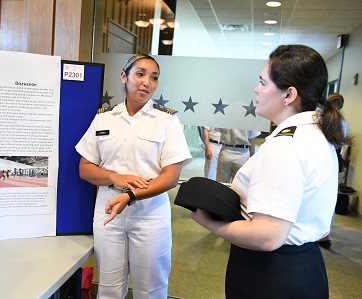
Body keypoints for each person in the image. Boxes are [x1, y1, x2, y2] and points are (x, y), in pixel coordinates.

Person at [191, 45, 351, 299]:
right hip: (303, 263)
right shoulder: (316, 133)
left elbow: (267, 236)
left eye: (262, 82)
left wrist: (210, 223)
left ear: (289, 94)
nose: (256, 89)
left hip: (272, 275)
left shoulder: (285, 146)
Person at [75, 54, 192, 299]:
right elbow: (85, 168)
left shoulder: (167, 121)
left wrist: (131, 194)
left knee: (151, 289)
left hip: (150, 212)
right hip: (108, 210)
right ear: (124, 77)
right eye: (140, 74)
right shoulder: (104, 118)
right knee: (108, 287)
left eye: (154, 77)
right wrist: (115, 177)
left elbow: (171, 177)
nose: (146, 82)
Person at [318, 93, 349, 249]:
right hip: (334, 158)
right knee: (329, 196)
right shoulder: (342, 122)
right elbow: (342, 145)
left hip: (318, 156)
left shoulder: (318, 118)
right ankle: (325, 235)